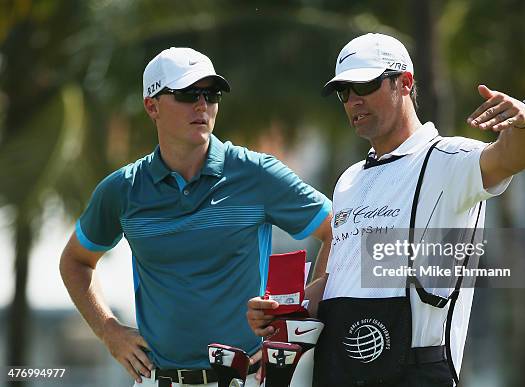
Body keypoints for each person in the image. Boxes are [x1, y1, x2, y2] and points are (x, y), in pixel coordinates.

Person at [247, 33, 525, 386]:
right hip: (340, 367)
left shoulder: (448, 159)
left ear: (405, 83)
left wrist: (524, 122)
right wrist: (282, 310)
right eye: (344, 92)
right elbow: (341, 278)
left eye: (365, 86)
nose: (354, 101)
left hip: (415, 371)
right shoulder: (350, 179)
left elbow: (511, 158)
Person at [59, 47, 332, 387]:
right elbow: (75, 261)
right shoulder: (123, 190)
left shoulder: (257, 174)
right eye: (188, 94)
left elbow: (337, 230)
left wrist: (302, 316)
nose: (202, 105)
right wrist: (108, 330)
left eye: (211, 94)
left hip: (245, 380)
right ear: (152, 106)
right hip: (156, 379)